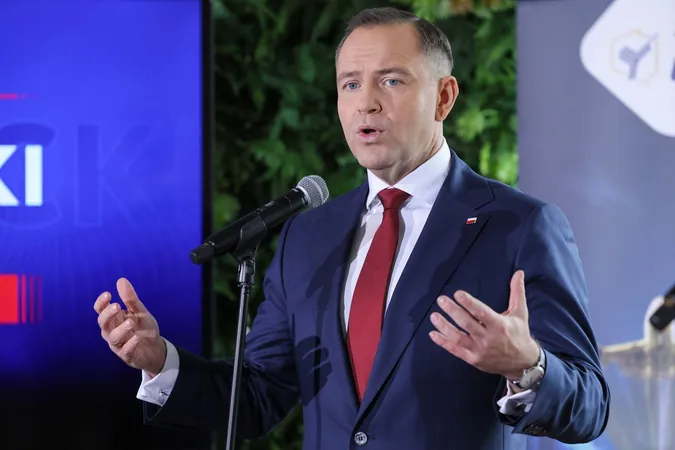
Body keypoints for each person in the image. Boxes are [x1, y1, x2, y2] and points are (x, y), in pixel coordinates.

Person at [94, 7, 610, 449]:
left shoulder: (517, 225)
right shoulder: (307, 237)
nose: (367, 102)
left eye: (392, 80)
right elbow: (257, 395)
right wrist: (160, 362)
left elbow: (590, 407)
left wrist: (527, 366)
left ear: (444, 97)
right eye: (350, 84)